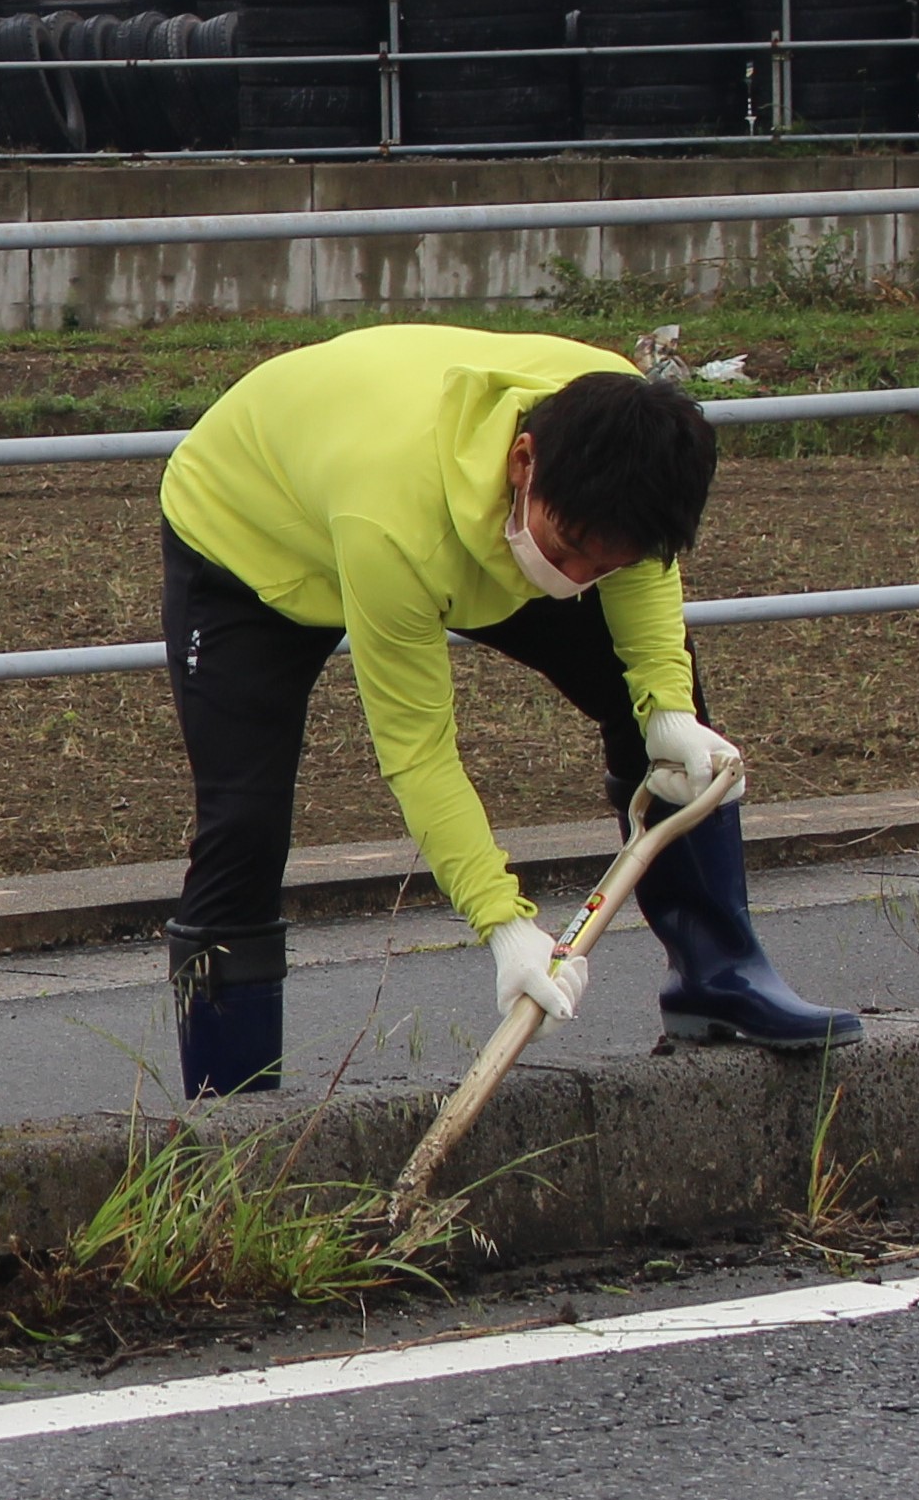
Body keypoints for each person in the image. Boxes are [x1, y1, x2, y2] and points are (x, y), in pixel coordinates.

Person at [153, 325, 853, 1099]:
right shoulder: (394, 520)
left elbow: (641, 570)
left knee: (658, 717)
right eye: (574, 548)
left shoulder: (621, 418)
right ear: (523, 463)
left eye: (605, 564)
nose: (580, 578)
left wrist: (666, 709)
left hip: (448, 514)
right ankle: (229, 1115)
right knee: (242, 822)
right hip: (248, 538)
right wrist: (505, 926)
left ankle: (720, 982)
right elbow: (417, 750)